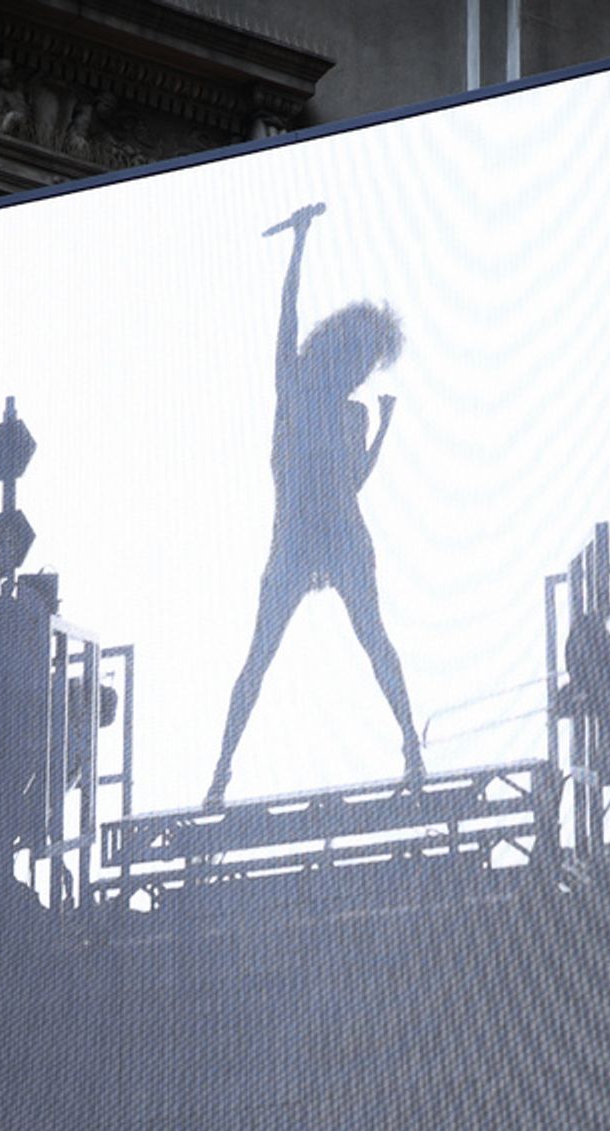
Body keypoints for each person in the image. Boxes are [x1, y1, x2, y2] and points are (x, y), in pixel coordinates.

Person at [205, 201, 424, 807]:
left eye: (367, 362)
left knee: (373, 637)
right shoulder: (295, 385)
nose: (359, 370)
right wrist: (299, 244)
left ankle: (412, 745)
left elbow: (353, 482)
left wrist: (382, 429)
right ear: (336, 349)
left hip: (338, 533)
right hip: (297, 537)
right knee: (259, 656)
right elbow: (287, 315)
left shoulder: (348, 411)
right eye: (356, 357)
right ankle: (220, 770)